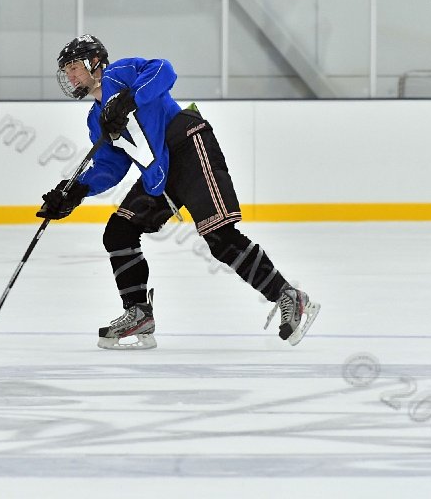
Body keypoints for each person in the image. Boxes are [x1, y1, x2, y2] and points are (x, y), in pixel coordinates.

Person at [37, 34, 320, 350]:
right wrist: (77, 190)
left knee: (219, 237)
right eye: (67, 71)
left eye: (75, 66)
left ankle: (288, 296)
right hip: (160, 173)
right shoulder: (96, 120)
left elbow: (164, 70)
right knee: (119, 232)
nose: (71, 75)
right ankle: (138, 313)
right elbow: (111, 166)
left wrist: (130, 99)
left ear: (95, 62)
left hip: (187, 144)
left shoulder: (122, 73)